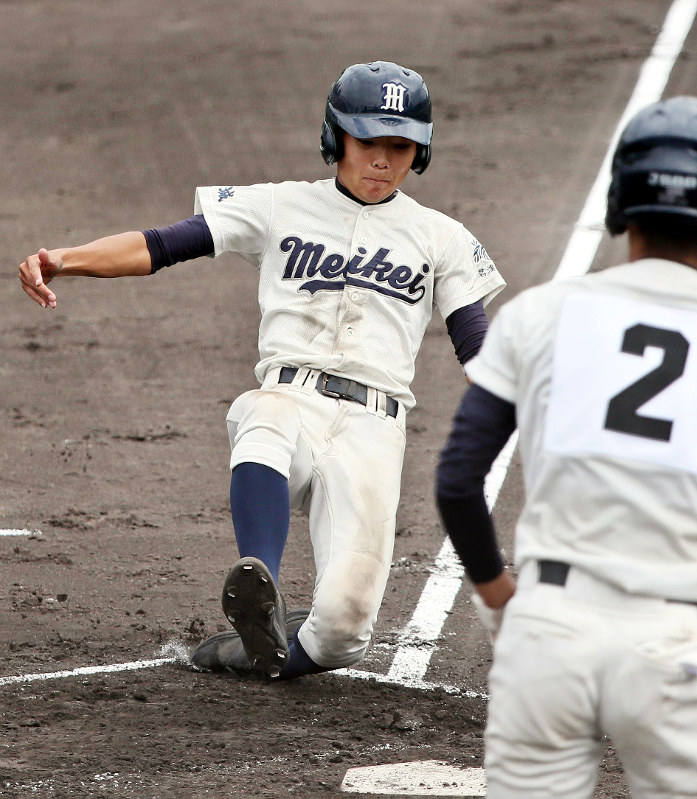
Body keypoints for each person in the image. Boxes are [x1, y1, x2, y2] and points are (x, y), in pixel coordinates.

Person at [19, 60, 505, 681]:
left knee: (344, 632)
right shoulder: (280, 206)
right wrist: (66, 259)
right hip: (292, 399)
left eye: (400, 145)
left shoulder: (443, 237)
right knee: (264, 415)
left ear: (421, 149)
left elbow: (474, 337)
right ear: (336, 138)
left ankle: (260, 647)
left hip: (374, 431)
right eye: (368, 142)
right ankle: (261, 581)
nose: (382, 160)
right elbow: (163, 244)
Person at [436, 95, 697, 798]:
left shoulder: (540, 312)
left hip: (549, 631)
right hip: (676, 641)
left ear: (620, 203)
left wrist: (498, 598)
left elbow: (458, 481)